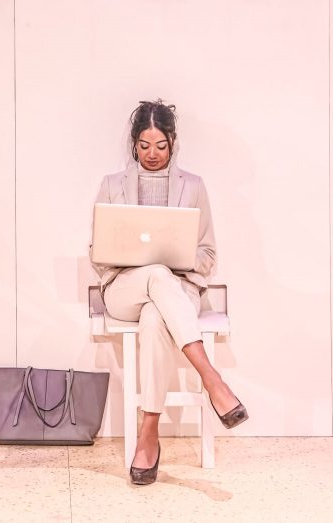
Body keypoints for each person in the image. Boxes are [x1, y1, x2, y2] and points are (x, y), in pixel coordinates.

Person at [91, 99, 248, 486]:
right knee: (155, 275)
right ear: (134, 144)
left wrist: (177, 259)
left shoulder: (193, 187)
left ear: (173, 142)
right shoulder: (112, 185)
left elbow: (208, 255)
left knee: (155, 315)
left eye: (160, 146)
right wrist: (143, 262)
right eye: (144, 146)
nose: (152, 154)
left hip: (177, 292)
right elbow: (97, 252)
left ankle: (149, 433)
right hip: (124, 289)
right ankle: (213, 380)